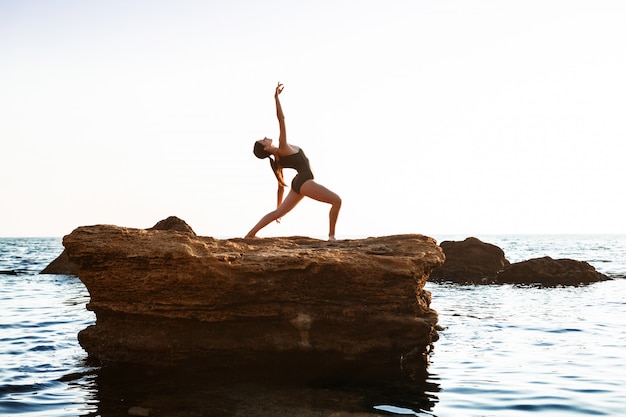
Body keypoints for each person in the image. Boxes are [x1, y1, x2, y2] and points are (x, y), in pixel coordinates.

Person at [246, 82, 342, 241]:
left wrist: (279, 207)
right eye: (263, 141)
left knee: (277, 213)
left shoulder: (277, 159)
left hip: (298, 183)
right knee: (336, 201)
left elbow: (280, 187)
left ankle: (250, 235)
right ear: (265, 148)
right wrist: (276, 98)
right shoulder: (282, 148)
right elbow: (281, 120)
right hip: (304, 180)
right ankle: (331, 237)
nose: (265, 138)